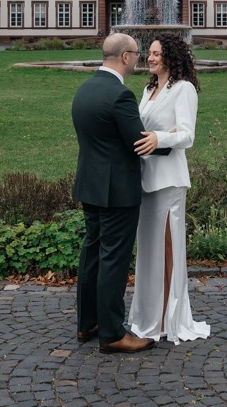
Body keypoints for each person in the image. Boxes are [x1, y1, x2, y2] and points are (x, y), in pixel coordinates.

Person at [71, 32, 158, 354]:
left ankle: (87, 323)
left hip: (90, 184)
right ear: (124, 56)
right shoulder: (119, 95)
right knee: (114, 259)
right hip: (117, 189)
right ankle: (111, 333)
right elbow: (138, 141)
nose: (140, 58)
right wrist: (167, 141)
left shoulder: (86, 89)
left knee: (92, 252)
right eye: (137, 53)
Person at [128, 33, 211, 344]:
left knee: (167, 252)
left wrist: (160, 138)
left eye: (157, 54)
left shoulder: (184, 89)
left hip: (169, 181)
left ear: (172, 56)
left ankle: (167, 320)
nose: (150, 58)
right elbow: (140, 127)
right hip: (146, 177)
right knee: (148, 252)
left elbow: (187, 135)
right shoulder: (148, 89)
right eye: (149, 53)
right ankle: (146, 318)